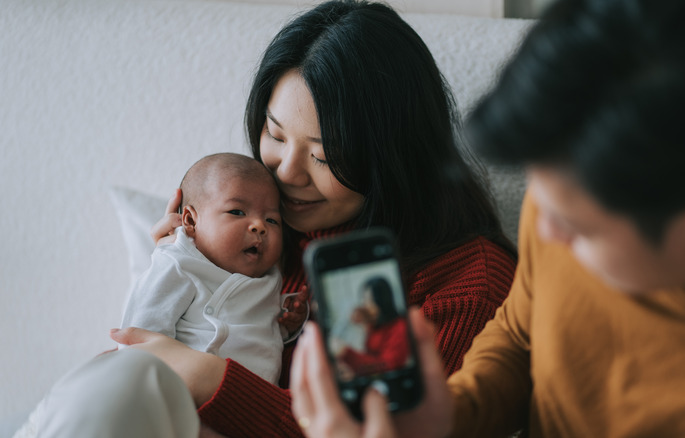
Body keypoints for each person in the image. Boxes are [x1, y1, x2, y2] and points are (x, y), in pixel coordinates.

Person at [289, 0, 685, 436]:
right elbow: (523, 336)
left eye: (576, 226)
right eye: (540, 198)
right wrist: (445, 418)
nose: (542, 231)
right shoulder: (563, 205)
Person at [28, 1, 517, 437]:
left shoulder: (467, 283)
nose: (284, 172)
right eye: (275, 134)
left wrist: (208, 378)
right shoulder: (256, 234)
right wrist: (186, 269)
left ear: (392, 158)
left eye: (324, 157)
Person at [120, 152, 306, 383]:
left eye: (271, 220)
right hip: (185, 394)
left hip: (251, 404)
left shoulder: (270, 276)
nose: (259, 226)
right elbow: (142, 331)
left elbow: (261, 334)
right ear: (189, 221)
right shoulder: (180, 264)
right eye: (237, 212)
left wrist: (288, 321)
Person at [332, 277, 410, 379]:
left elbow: (387, 365)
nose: (366, 305)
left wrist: (348, 354)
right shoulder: (373, 325)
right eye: (364, 299)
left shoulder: (400, 326)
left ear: (382, 301)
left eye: (370, 300)